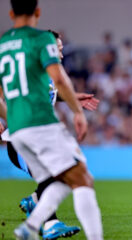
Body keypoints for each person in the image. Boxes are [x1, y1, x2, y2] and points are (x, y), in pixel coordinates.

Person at [0, 0, 103, 239]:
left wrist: (9, 120)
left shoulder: (4, 44)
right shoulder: (40, 39)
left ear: (11, 12)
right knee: (83, 178)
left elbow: (45, 91)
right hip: (40, 125)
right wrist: (78, 112)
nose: (61, 51)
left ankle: (32, 225)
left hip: (18, 131)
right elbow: (59, 79)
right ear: (38, 11)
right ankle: (49, 225)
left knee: (57, 178)